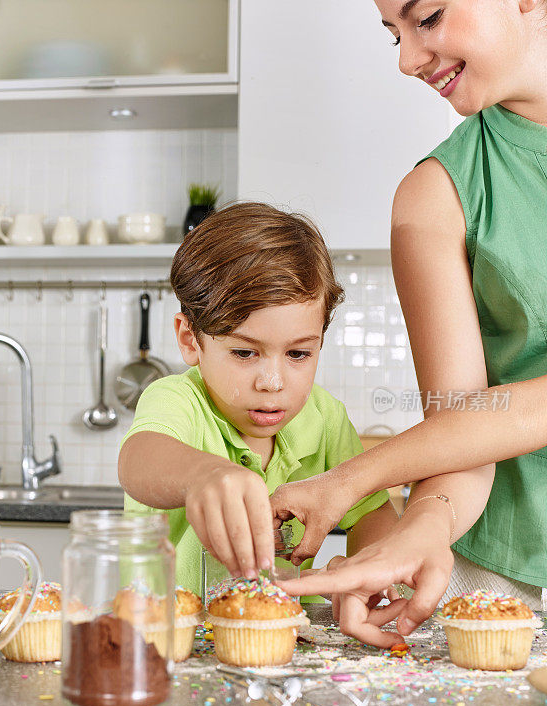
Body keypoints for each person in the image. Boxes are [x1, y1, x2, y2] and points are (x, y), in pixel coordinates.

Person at [271, 0, 547, 644]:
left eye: (428, 17)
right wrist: (424, 521)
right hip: (505, 583)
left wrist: (352, 479)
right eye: (392, 33)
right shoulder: (435, 193)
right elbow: (463, 422)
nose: (405, 59)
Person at [118, 201, 397, 619]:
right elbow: (138, 460)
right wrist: (203, 475)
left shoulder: (324, 417)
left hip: (284, 649)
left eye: (299, 353)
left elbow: (373, 512)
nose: (273, 381)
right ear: (191, 340)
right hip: (166, 643)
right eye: (245, 352)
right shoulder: (176, 399)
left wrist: (363, 571)